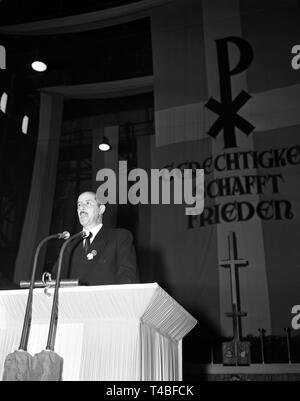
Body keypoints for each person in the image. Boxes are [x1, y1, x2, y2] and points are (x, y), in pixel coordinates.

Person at [52, 191, 138, 285]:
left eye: (88, 203)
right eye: (79, 205)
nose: (82, 208)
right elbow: (55, 281)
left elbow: (128, 278)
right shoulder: (69, 245)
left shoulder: (120, 237)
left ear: (101, 209)